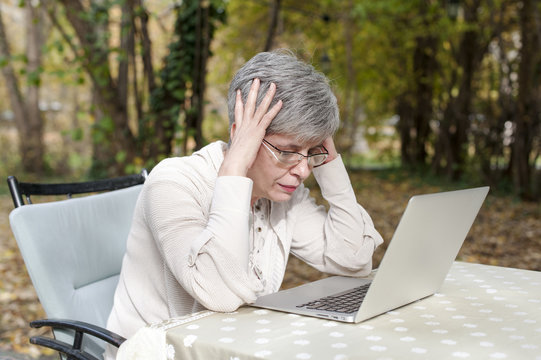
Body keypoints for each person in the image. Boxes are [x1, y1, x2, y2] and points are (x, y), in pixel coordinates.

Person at [106, 50, 384, 348]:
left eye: (312, 152)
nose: (303, 170)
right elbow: (219, 295)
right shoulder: (174, 182)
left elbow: (354, 259)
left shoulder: (280, 195)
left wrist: (329, 164)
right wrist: (235, 168)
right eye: (288, 151)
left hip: (233, 348)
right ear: (242, 136)